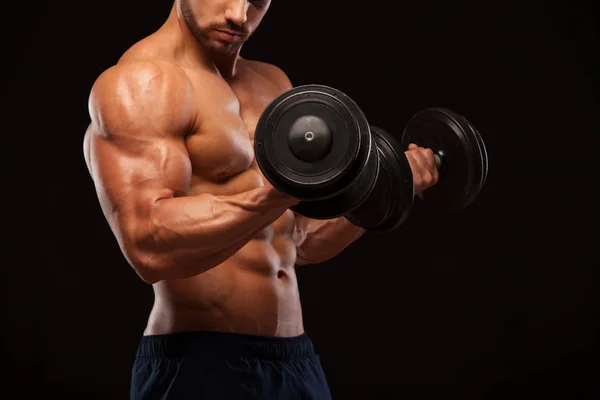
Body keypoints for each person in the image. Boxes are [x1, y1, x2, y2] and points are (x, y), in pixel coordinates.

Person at [83, 0, 439, 398]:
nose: (239, 14)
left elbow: (301, 241)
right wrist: (279, 194)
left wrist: (386, 189)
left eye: (256, 1)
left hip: (295, 361)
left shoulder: (272, 84)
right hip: (201, 363)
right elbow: (147, 243)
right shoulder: (143, 82)